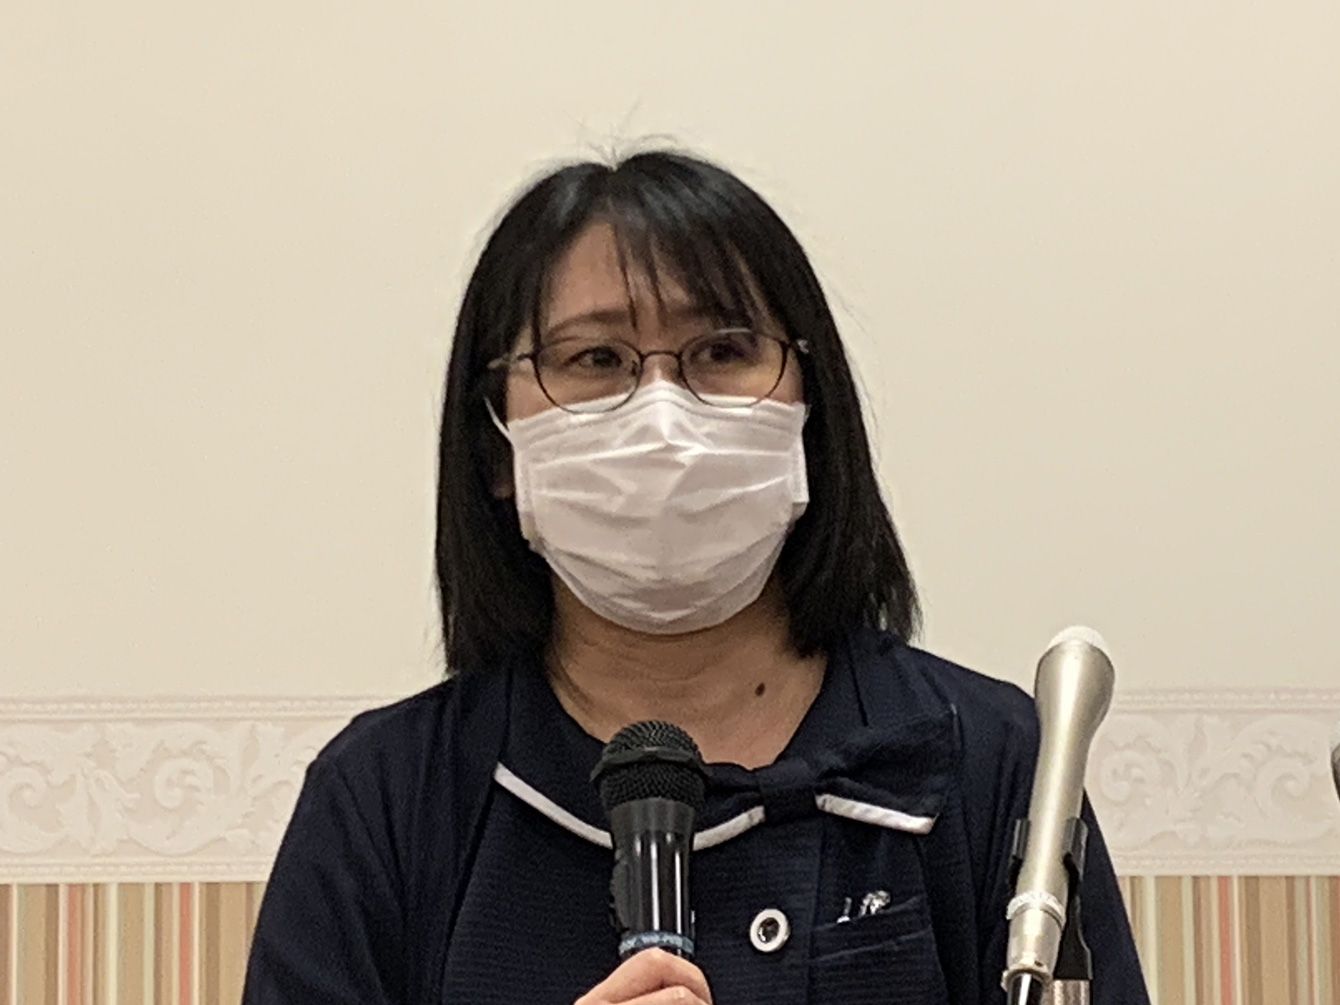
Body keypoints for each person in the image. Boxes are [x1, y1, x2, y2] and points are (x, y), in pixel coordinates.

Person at [242, 150, 1150, 1004]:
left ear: (809, 408)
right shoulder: (384, 800)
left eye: (722, 351)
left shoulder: (990, 761)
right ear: (496, 444)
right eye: (596, 359)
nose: (664, 416)